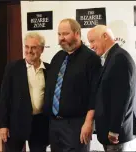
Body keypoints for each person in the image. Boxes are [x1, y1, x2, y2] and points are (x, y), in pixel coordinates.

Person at [43, 18, 101, 152]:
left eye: (65, 34)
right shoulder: (57, 57)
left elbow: (95, 94)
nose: (61, 38)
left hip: (77, 125)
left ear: (77, 33)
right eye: (59, 34)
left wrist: (88, 123)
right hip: (54, 125)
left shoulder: (91, 59)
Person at [87, 25, 136, 151]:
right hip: (111, 133)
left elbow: (121, 97)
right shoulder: (113, 57)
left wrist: (114, 130)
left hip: (116, 135)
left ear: (105, 36)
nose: (91, 46)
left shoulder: (119, 58)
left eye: (92, 41)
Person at [0, 32, 49, 152]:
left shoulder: (49, 69)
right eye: (26, 47)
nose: (29, 50)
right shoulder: (12, 68)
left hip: (40, 124)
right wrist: (3, 125)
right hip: (15, 124)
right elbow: (4, 98)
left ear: (41, 49)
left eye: (33, 47)